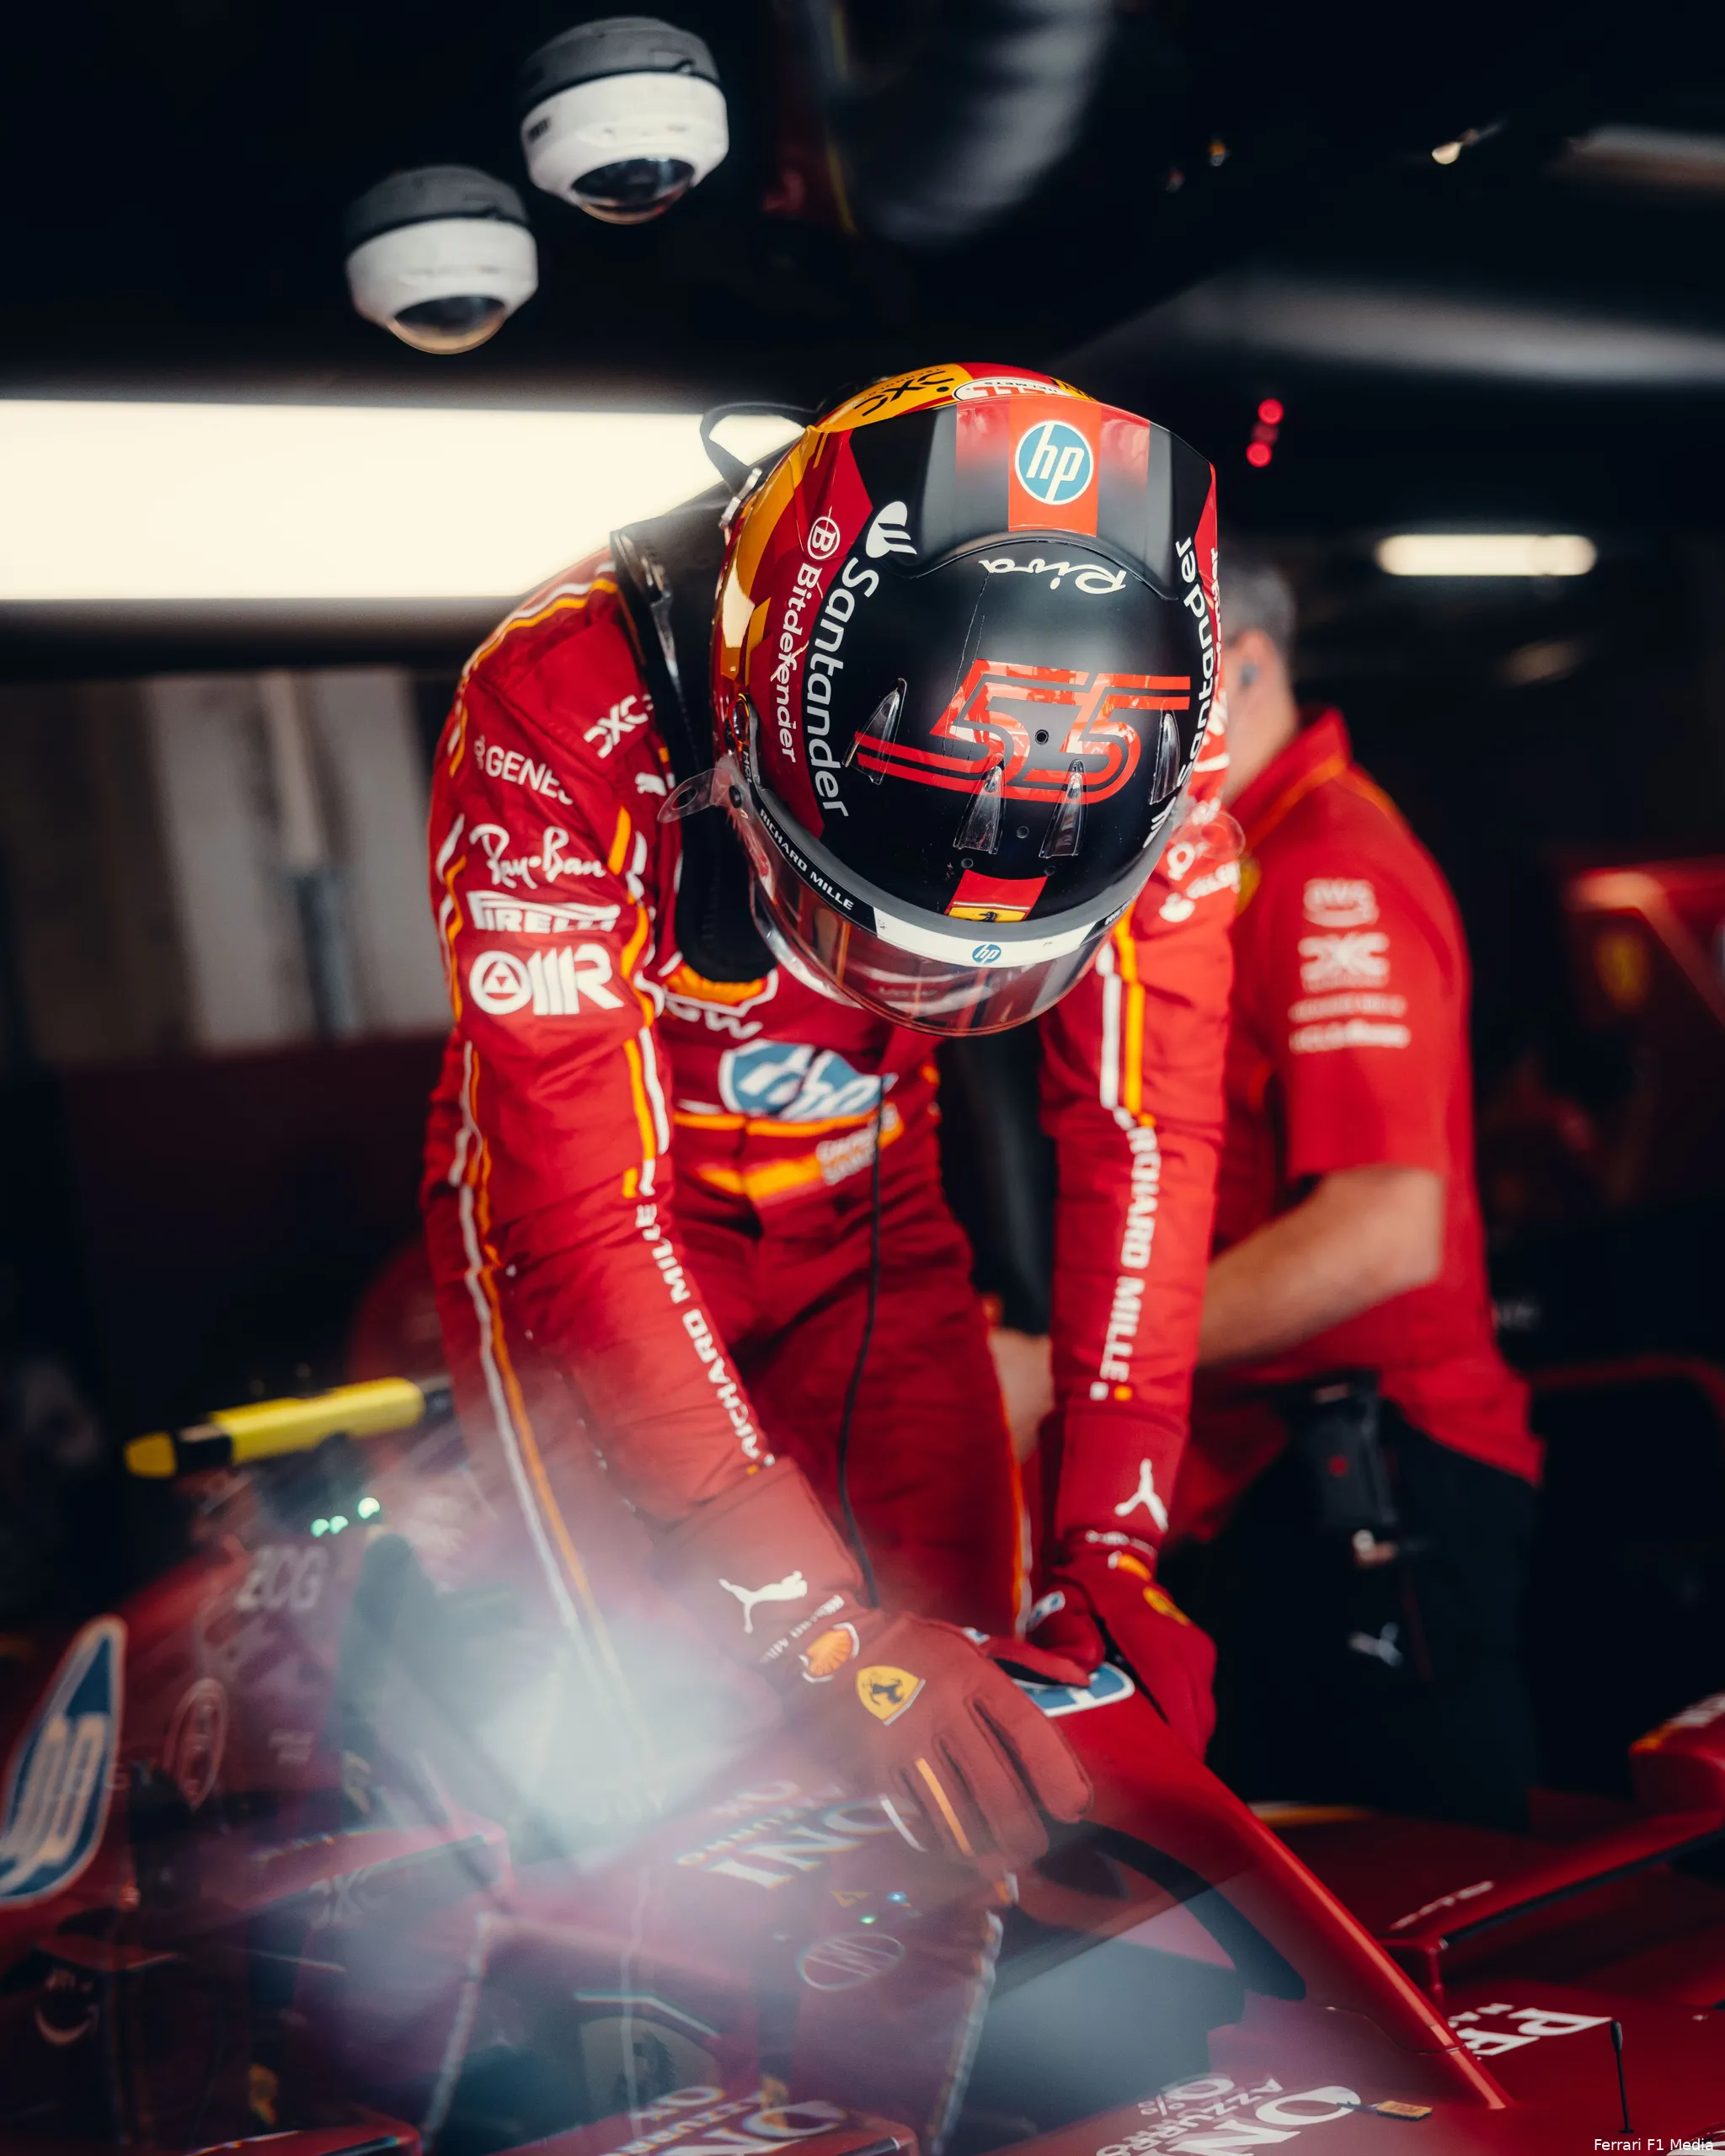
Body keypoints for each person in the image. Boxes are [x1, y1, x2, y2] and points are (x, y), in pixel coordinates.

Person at [420, 364, 1236, 1875]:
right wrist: (809, 1625)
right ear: (743, 742)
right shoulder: (545, 705)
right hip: (579, 1243)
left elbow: (1147, 1132)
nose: (922, 985)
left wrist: (1116, 1534)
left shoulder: (1162, 753)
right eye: (889, 937)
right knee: (661, 1772)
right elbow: (583, 1207)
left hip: (874, 1219)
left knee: (1000, 1718)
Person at [1166, 544, 1543, 1829]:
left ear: (1249, 666)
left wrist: (1083, 1366)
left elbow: (1386, 1229)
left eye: (1160, 677)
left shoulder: (1329, 867)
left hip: (1379, 1477)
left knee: (1418, 1914)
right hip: (1273, 1476)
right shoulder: (1232, 862)